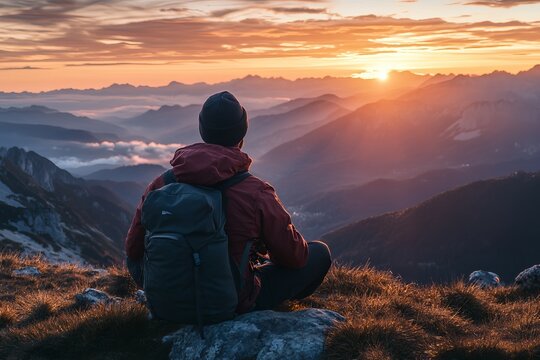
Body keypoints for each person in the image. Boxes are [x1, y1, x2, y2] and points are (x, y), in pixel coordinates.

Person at [124, 91, 331, 313]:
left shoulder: (162, 183)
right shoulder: (256, 192)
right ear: (242, 134)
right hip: (230, 302)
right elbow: (294, 257)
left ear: (203, 131)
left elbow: (132, 250)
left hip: (165, 296)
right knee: (319, 253)